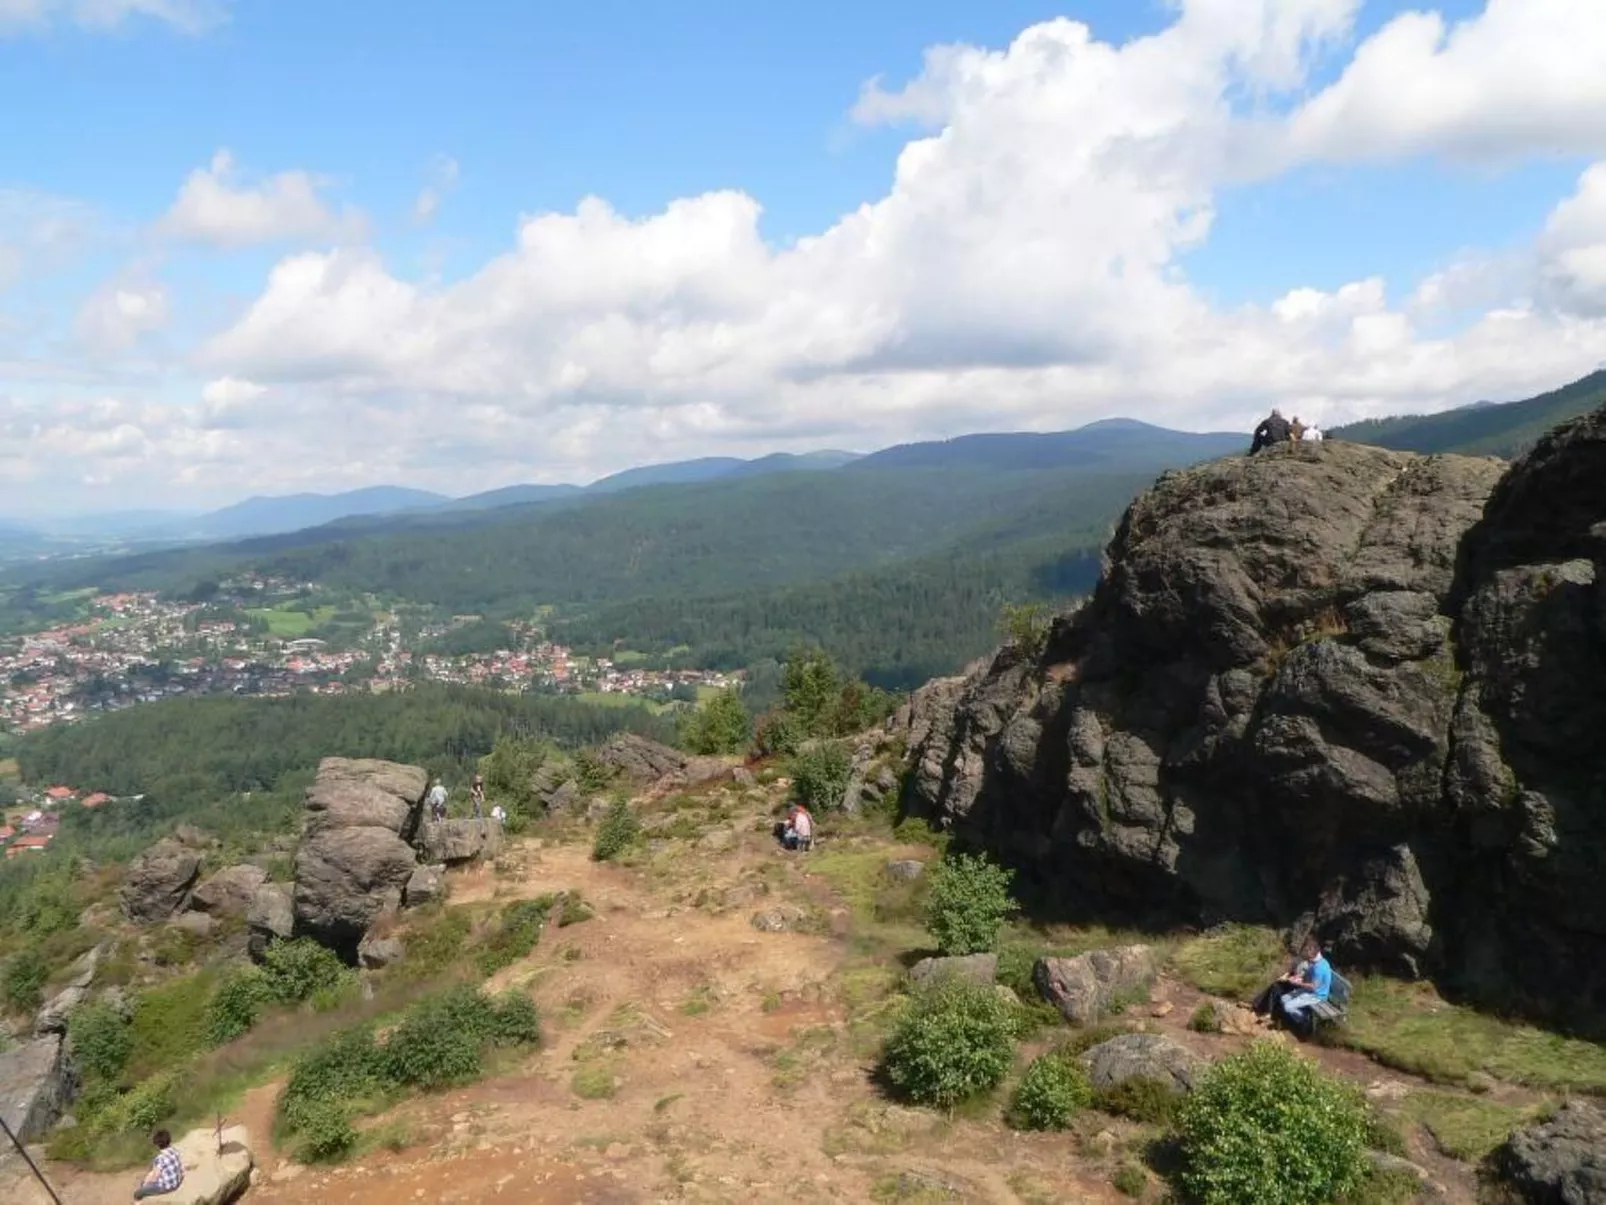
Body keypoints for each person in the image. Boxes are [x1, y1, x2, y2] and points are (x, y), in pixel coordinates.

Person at [1276, 937, 1333, 1038]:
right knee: (1283, 999)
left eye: (1308, 953)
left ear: (1313, 954)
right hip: (1310, 990)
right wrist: (1296, 977)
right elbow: (1307, 973)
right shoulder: (1317, 961)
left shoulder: (1319, 968)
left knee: (1287, 1006)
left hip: (1317, 995)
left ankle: (1305, 1019)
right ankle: (1303, 1014)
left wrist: (1297, 984)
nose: (1306, 955)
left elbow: (1313, 987)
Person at [133, 1129, 183, 1199]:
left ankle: (138, 1202)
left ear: (157, 1145)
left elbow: (154, 1177)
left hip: (167, 1186)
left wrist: (145, 1183)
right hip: (177, 1181)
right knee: (149, 1177)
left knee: (137, 1193)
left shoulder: (160, 1158)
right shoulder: (174, 1150)